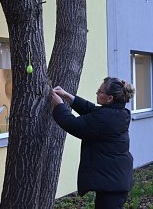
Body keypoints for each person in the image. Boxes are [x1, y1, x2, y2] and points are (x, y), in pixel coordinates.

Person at [51, 77, 135, 209]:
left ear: (109, 98)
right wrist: (68, 96)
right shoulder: (120, 112)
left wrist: (59, 105)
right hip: (115, 180)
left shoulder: (105, 118)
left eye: (100, 91)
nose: (97, 93)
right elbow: (91, 109)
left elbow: (73, 125)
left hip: (112, 185)